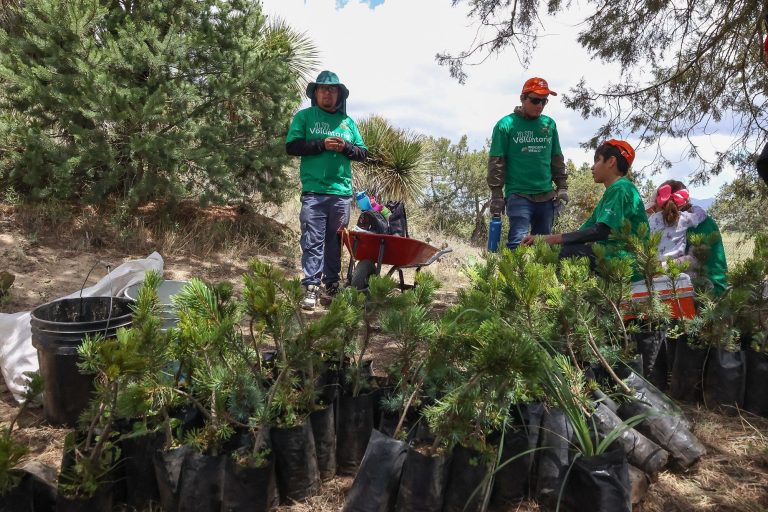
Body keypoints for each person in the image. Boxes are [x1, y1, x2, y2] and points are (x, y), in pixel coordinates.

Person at [286, 70, 368, 310]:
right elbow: (292, 146)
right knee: (312, 239)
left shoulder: (348, 123)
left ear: (339, 95)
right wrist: (320, 144)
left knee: (335, 242)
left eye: (332, 90)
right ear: (316, 93)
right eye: (323, 89)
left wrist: (346, 147)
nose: (328, 93)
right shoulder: (305, 117)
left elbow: (363, 153)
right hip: (314, 192)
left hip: (341, 194)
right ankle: (311, 287)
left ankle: (331, 286)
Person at [521, 140, 649, 276]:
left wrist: (550, 239)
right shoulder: (611, 194)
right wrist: (544, 240)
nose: (592, 167)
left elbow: (601, 231)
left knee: (562, 254)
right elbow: (583, 233)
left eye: (597, 161)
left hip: (627, 262)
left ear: (611, 161)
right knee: (558, 250)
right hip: (612, 256)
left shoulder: (621, 188)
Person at [487, 77, 568, 249]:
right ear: (522, 98)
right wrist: (496, 195)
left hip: (546, 197)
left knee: (543, 248)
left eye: (544, 101)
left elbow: (556, 158)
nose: (540, 105)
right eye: (535, 100)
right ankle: (512, 277)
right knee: (518, 244)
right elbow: (497, 162)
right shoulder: (505, 125)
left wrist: (562, 186)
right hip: (519, 195)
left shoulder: (549, 125)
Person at [648, 181, 707, 264]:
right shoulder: (684, 218)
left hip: (654, 266)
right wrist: (691, 208)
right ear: (682, 203)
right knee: (691, 259)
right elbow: (702, 214)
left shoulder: (652, 218)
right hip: (674, 267)